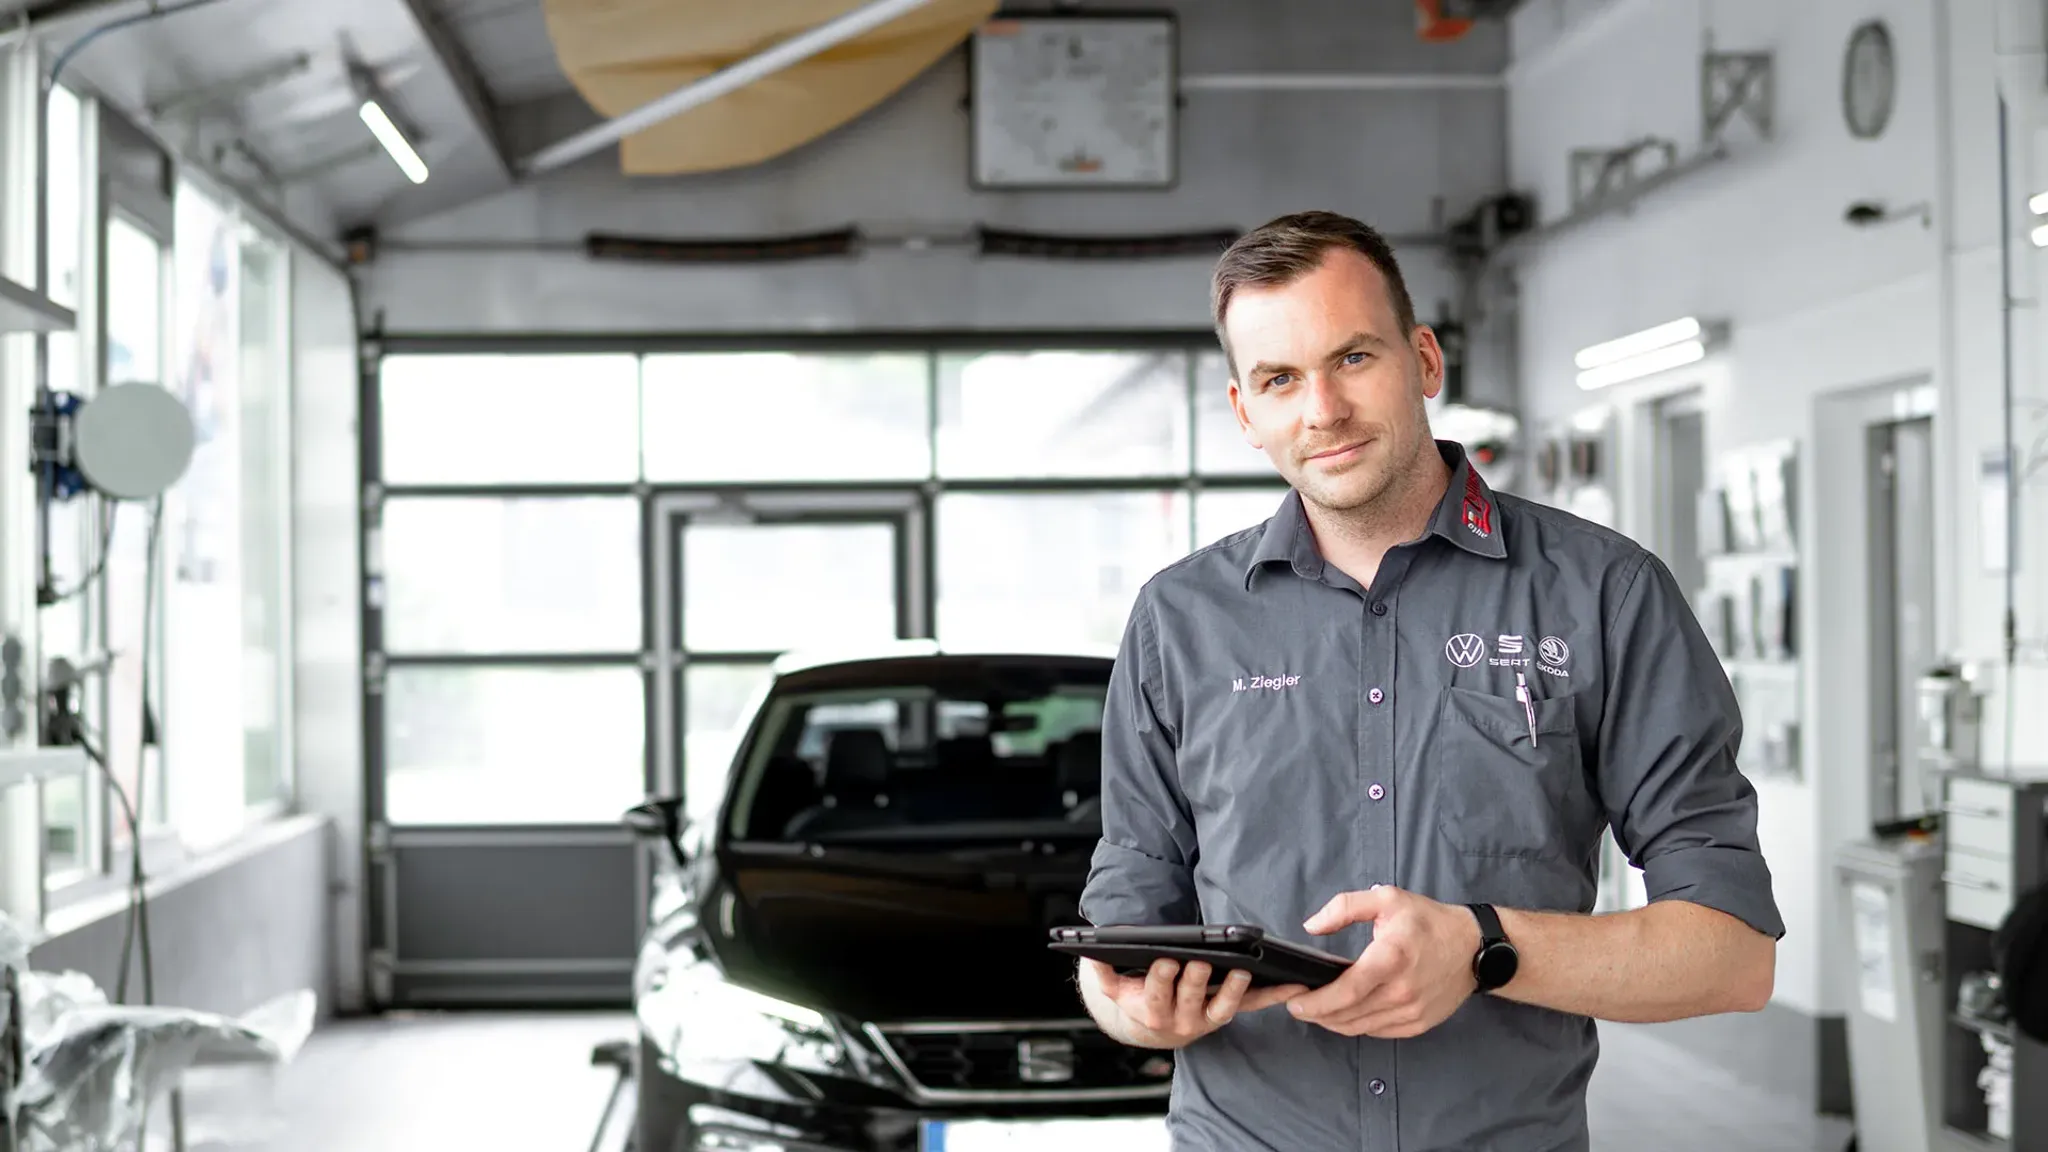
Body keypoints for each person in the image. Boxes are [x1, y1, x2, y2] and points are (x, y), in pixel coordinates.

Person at [1073, 210, 1785, 1151]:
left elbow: (1732, 956)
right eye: (1280, 379)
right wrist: (1135, 1011)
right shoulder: (1179, 622)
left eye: (1354, 359)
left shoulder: (1603, 594)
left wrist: (1485, 950)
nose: (1321, 410)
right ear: (1246, 413)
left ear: (1424, 360)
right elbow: (1122, 919)